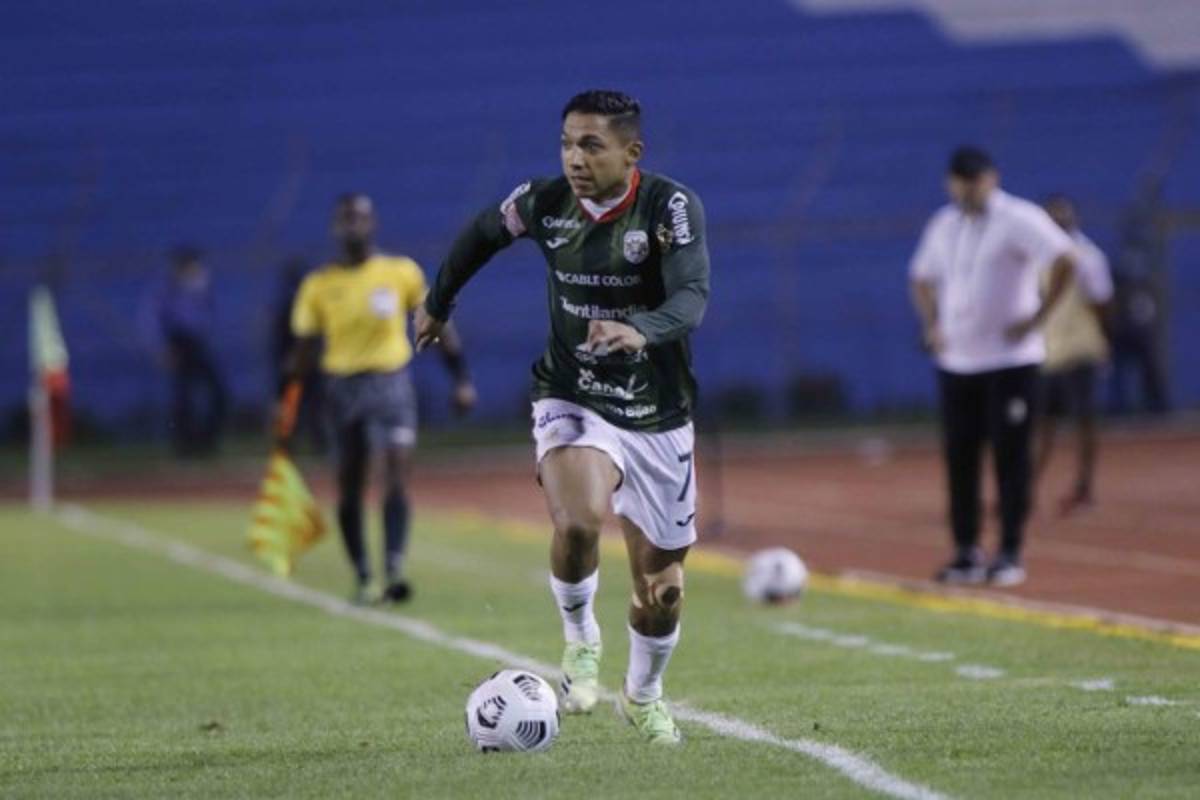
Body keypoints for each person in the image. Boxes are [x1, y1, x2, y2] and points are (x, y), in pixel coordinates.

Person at [414, 90, 710, 744]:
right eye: (567, 144)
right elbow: (482, 234)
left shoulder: (670, 207)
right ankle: (580, 640)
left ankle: (643, 695)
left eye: (591, 145)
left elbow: (693, 294)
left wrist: (641, 329)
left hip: (659, 411)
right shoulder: (543, 202)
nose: (575, 158)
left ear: (632, 153)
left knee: (662, 588)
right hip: (572, 392)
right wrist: (439, 301)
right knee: (578, 520)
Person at [282, 194, 477, 605]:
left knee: (396, 471)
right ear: (336, 227)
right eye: (346, 218)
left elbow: (437, 322)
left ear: (372, 224)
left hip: (391, 384)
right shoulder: (319, 285)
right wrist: (286, 403)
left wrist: (460, 378)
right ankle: (363, 574)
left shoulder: (400, 272)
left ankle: (394, 569)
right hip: (342, 387)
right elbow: (302, 352)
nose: (353, 225)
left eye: (360, 217)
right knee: (350, 484)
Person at [909, 147, 1075, 587]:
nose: (967, 188)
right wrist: (932, 325)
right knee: (960, 457)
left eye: (974, 179)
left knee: (1011, 456)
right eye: (960, 180)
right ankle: (966, 550)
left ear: (991, 178)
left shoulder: (1018, 218)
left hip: (1010, 363)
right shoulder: (943, 224)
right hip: (957, 362)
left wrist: (1038, 318)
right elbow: (921, 276)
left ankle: (1009, 550)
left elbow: (1065, 259)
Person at [1034, 195, 1113, 516]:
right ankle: (1024, 490)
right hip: (1050, 351)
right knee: (1043, 423)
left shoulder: (1089, 258)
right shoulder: (1039, 259)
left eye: (1063, 218)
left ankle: (1084, 488)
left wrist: (1101, 340)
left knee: (1083, 420)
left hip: (1080, 348)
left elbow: (1102, 302)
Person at [153, 245, 228, 457]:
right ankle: (183, 445)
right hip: (178, 343)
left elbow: (207, 316)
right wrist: (162, 347)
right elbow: (155, 318)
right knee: (183, 397)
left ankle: (205, 442)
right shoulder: (167, 288)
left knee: (218, 393)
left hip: (198, 344)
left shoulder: (200, 286)